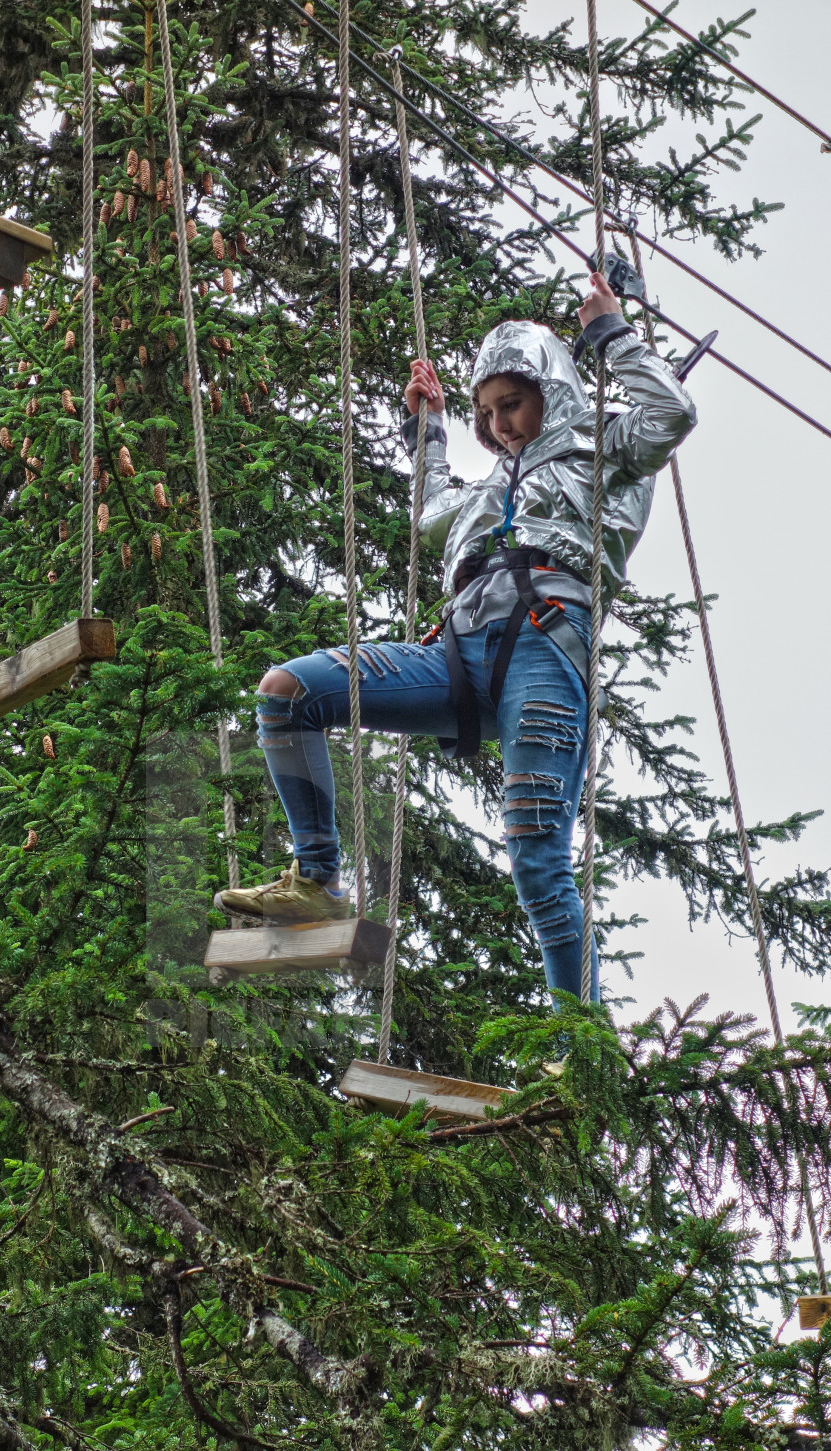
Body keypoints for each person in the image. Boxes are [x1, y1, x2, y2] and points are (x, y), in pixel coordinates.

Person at [215, 272, 696, 1002]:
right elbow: (431, 509)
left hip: (545, 648)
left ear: (551, 392)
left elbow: (673, 411)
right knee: (286, 692)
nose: (501, 424)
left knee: (538, 860)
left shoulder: (606, 453)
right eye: (488, 413)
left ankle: (577, 1040)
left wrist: (610, 332)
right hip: (456, 655)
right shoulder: (481, 496)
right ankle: (316, 879)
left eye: (513, 404)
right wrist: (429, 429)